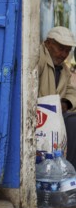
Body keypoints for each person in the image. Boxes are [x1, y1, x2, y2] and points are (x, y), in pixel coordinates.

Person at [38, 26, 76, 166]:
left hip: (54, 118)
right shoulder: (39, 56)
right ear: (48, 43)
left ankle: (67, 168)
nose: (63, 54)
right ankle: (68, 168)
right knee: (73, 122)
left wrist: (66, 103)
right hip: (39, 116)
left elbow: (72, 91)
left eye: (67, 51)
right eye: (60, 48)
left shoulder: (64, 70)